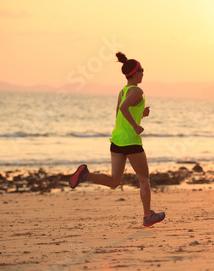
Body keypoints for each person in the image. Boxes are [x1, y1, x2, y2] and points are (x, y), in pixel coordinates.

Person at [69, 52, 165, 227]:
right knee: (144, 180)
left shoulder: (124, 91)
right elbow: (123, 108)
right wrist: (136, 127)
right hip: (131, 141)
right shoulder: (137, 90)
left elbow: (120, 114)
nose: (144, 73)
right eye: (142, 70)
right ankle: (147, 216)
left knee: (114, 181)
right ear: (135, 73)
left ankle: (86, 175)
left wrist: (142, 114)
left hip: (117, 140)